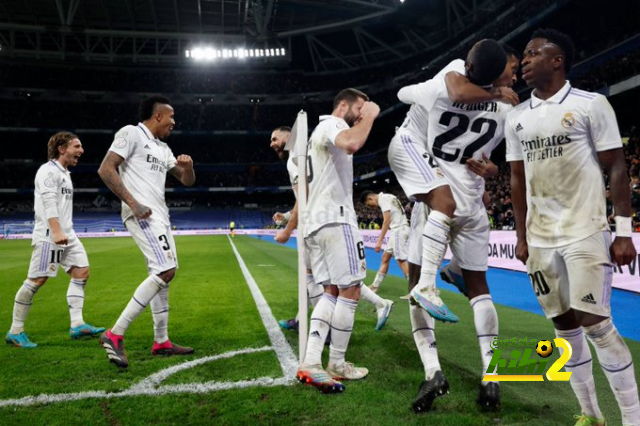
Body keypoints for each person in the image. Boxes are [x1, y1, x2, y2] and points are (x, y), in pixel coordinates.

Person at [507, 28, 640, 426]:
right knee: (564, 327)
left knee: (595, 323)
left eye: (533, 53)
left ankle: (632, 419)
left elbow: (616, 166)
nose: (525, 61)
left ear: (557, 59)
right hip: (541, 239)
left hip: (584, 230)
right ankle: (590, 414)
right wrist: (521, 236)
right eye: (523, 56)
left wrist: (623, 232)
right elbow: (517, 178)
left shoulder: (591, 104)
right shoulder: (516, 117)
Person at [390, 40, 520, 412]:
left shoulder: (445, 88)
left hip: (436, 200)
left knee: (415, 286)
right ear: (498, 74)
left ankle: (433, 370)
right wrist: (493, 169)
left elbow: (407, 94)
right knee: (480, 291)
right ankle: (492, 377)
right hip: (473, 203)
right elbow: (502, 160)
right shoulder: (508, 110)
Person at [97, 96, 196, 369]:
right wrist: (133, 203)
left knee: (164, 272)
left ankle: (161, 341)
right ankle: (114, 333)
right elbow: (106, 169)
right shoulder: (131, 133)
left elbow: (186, 181)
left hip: (160, 215)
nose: (174, 122)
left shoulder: (163, 147)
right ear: (158, 115)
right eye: (171, 117)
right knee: (165, 271)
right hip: (142, 213)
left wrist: (188, 168)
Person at [296, 88, 380, 393]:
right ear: (342, 105)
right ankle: (338, 363)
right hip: (335, 218)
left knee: (330, 291)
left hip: (316, 223)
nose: (361, 113)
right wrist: (370, 116)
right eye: (358, 107)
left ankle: (311, 361)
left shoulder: (315, 135)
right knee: (351, 290)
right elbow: (352, 142)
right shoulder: (333, 125)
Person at [270, 126, 394, 332]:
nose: (272, 143)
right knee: (330, 276)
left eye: (275, 138)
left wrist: (287, 230)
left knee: (323, 277)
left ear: (288, 135)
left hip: (322, 223)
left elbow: (304, 197)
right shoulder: (301, 155)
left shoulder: (299, 158)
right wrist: (286, 216)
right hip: (317, 222)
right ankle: (304, 319)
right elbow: (304, 198)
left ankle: (323, 327)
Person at [5, 132, 105, 348]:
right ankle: (15, 331)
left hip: (68, 234)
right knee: (37, 280)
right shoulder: (49, 171)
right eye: (77, 146)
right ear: (62, 148)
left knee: (81, 271)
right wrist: (57, 231)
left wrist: (64, 232)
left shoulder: (65, 173)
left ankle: (77, 324)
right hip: (51, 235)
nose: (81, 150)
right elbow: (49, 202)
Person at [360, 190, 409, 292]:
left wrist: (379, 241)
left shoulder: (383, 199)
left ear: (370, 198)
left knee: (401, 260)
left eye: (369, 204)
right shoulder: (390, 196)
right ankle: (375, 286)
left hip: (398, 230)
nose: (370, 207)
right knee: (385, 258)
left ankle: (417, 290)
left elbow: (386, 221)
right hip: (398, 230)